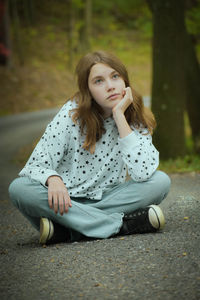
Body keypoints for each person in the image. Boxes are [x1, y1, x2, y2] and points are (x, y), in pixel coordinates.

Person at [9, 50, 171, 245]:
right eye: (99, 81)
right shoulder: (71, 115)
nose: (110, 86)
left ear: (125, 81)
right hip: (66, 201)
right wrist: (52, 178)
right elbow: (36, 164)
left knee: (160, 181)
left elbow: (143, 172)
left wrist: (119, 116)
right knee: (19, 189)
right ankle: (122, 226)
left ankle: (68, 231)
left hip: (109, 198)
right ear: (88, 90)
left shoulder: (134, 117)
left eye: (115, 77)